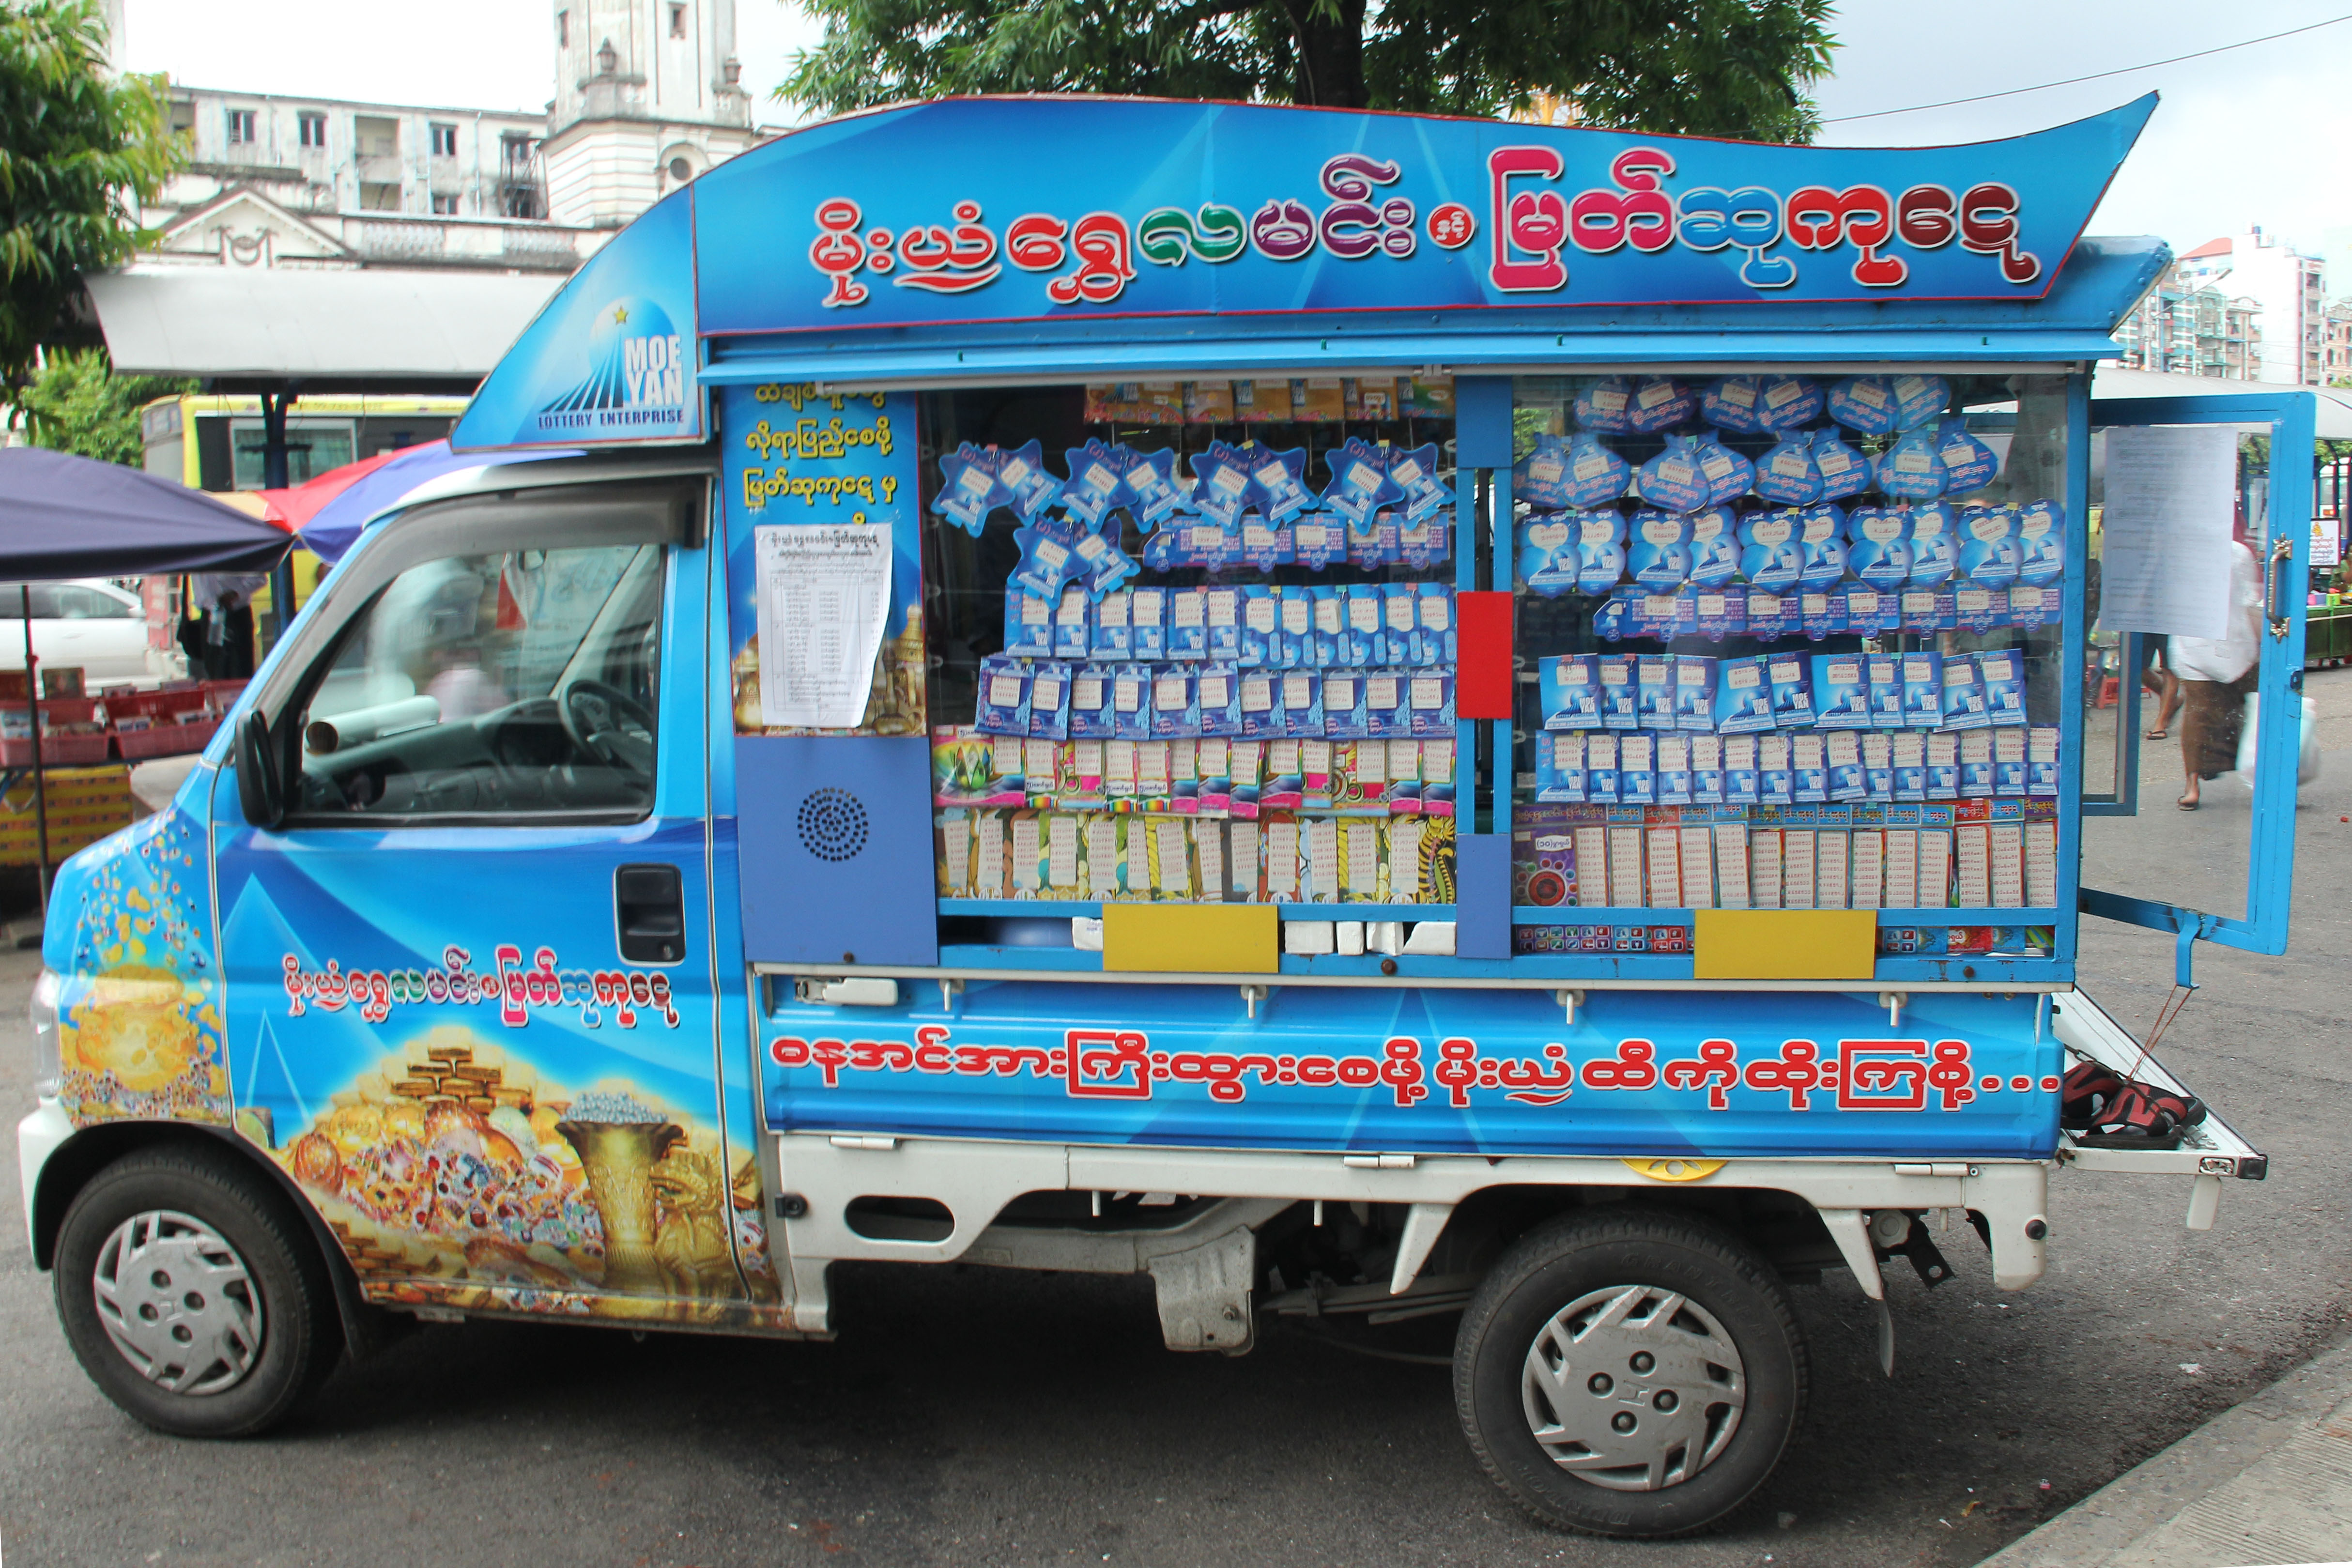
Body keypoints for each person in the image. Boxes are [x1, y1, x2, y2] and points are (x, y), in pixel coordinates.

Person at [2169, 530, 2263, 810]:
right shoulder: (2239, 553)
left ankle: (2192, 786)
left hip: (2194, 645)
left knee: (2198, 714)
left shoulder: (2179, 554)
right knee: (2250, 712)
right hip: (2235, 643)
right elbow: (2250, 602)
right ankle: (2258, 778)